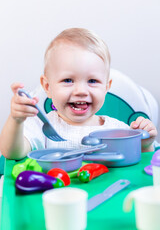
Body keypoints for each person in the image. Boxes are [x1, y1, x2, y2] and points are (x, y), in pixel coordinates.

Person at [0, 28, 157, 160]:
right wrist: (16, 120)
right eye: (68, 80)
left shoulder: (118, 130)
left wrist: (145, 145)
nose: (81, 91)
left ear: (106, 87)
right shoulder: (41, 127)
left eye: (93, 81)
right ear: (47, 86)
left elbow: (140, 166)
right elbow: (12, 152)